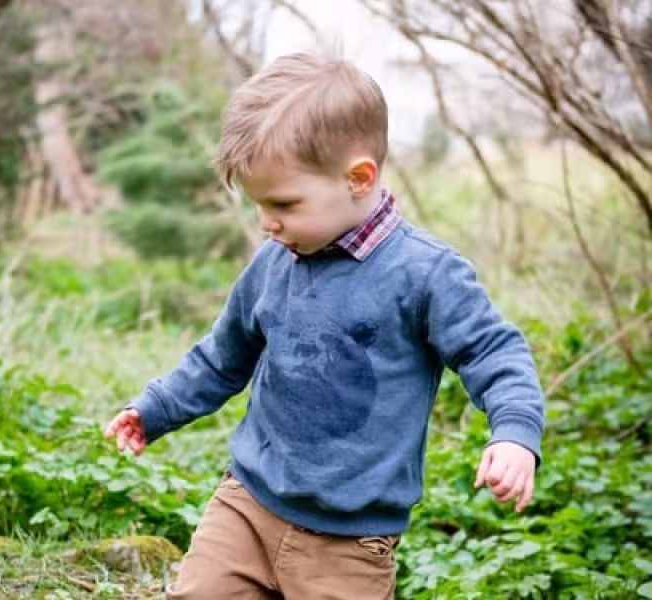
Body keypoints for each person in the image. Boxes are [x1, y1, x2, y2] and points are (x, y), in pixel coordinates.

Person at [103, 52, 544, 600]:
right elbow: (221, 358)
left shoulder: (425, 274)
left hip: (350, 542)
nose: (267, 223)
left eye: (284, 203)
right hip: (247, 506)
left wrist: (515, 432)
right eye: (258, 204)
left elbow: (494, 353)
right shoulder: (272, 264)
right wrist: (157, 408)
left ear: (358, 178)